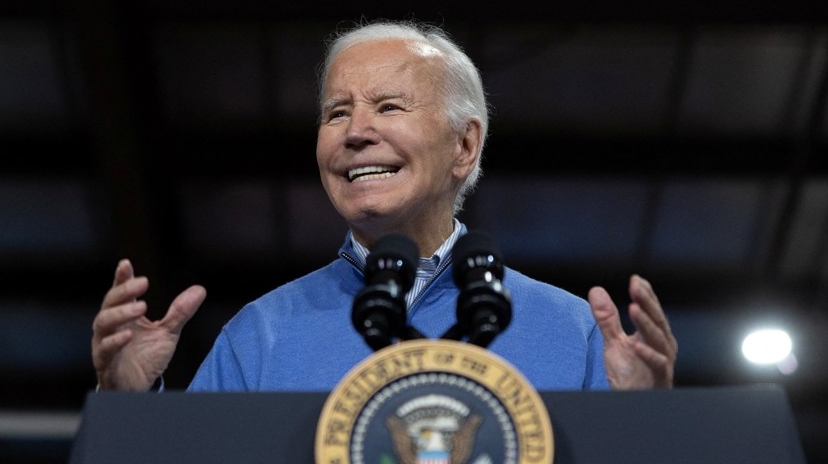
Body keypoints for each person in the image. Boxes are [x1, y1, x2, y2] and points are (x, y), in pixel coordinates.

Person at [91, 20, 677, 394]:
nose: (355, 132)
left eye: (389, 106)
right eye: (336, 112)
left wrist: (647, 423)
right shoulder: (262, 334)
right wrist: (129, 406)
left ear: (464, 146)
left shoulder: (570, 329)